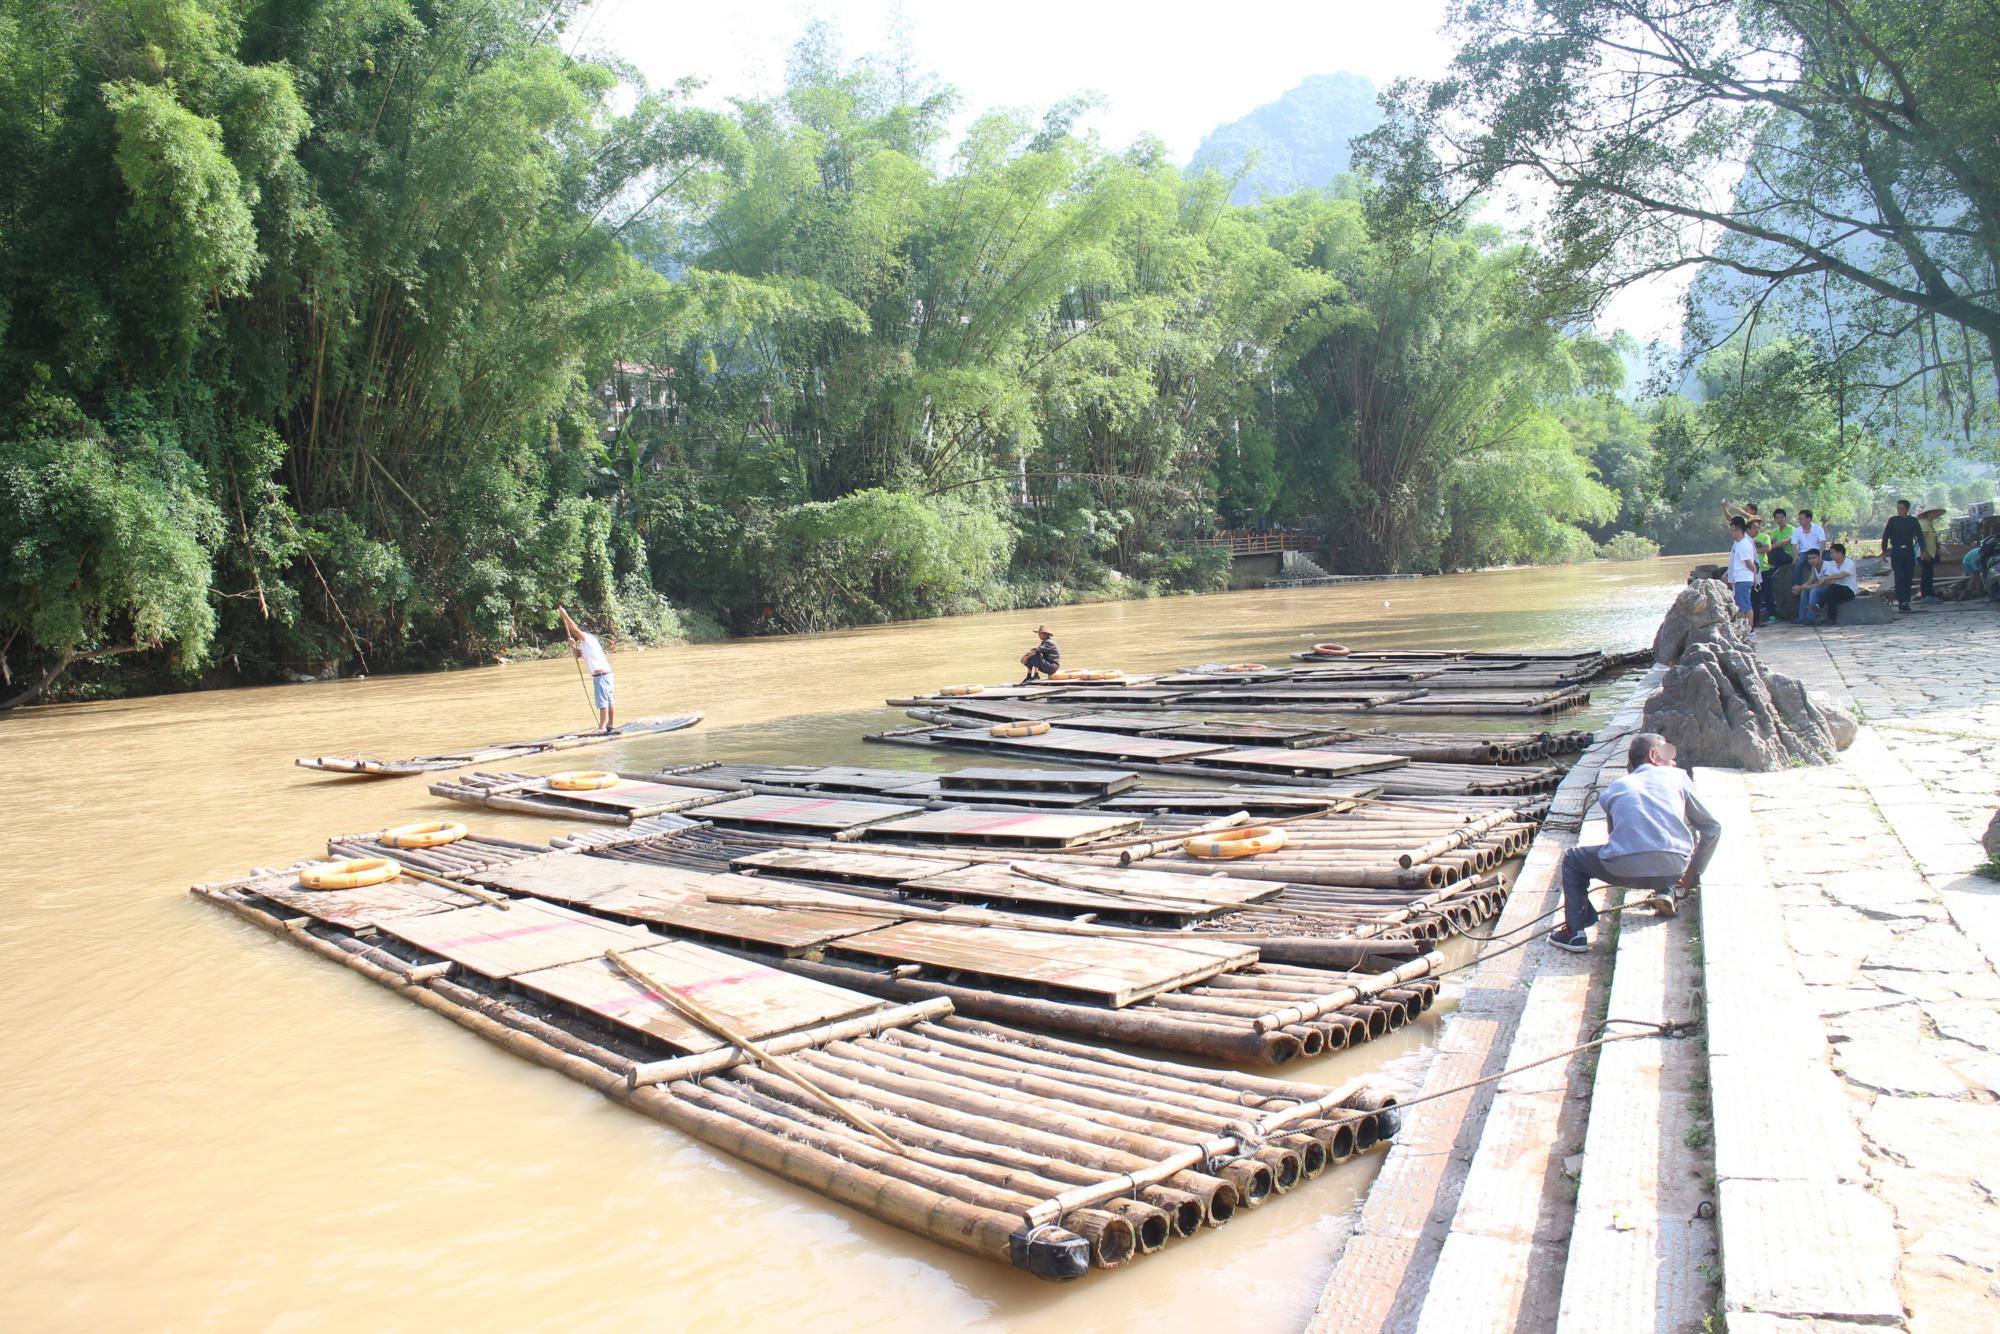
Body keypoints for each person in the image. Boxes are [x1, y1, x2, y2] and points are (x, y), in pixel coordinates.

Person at [1548, 732, 1722, 952]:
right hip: (1674, 868)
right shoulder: (1678, 777)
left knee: (1573, 858)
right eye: (1668, 753)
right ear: (1653, 755)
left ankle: (1575, 933)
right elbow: (1713, 829)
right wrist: (1690, 877)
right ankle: (1665, 891)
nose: (1674, 760)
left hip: (1624, 871)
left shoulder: (1614, 789)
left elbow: (1616, 839)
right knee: (1668, 834)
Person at [559, 606, 615, 731]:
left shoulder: (588, 639)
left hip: (602, 676)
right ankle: (610, 724)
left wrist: (565, 615)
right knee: (609, 700)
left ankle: (602, 727)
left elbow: (573, 628)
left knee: (603, 701)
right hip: (605, 675)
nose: (576, 635)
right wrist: (573, 646)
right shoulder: (585, 645)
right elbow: (577, 656)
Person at [1880, 499, 1922, 612]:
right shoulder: (1893, 520)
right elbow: (1886, 536)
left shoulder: (1913, 521)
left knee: (1908, 576)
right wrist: (1884, 551)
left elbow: (1920, 536)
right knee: (1899, 576)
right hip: (1897, 551)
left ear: (1907, 509)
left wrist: (1923, 550)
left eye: (1902, 508)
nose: (1899, 510)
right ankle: (1901, 600)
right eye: (1898, 508)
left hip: (1908, 550)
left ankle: (1906, 600)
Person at [1805, 542, 1860, 625]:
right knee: (1830, 594)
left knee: (1833, 588)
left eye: (1832, 553)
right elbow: (1829, 579)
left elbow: (1841, 576)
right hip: (1835, 589)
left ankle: (1819, 605)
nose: (1831, 555)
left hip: (1849, 590)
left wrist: (1827, 578)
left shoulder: (1850, 563)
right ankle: (1831, 619)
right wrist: (1828, 579)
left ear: (1840, 553)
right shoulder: (1832, 564)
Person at [1760, 507, 1796, 621]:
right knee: (1772, 549)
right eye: (1777, 518)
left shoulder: (1791, 529)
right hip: (1778, 556)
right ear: (1774, 519)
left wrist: (1770, 546)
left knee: (1776, 549)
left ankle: (1772, 566)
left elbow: (1786, 541)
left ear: (1785, 518)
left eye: (1781, 517)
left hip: (1788, 556)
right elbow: (1771, 541)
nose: (1779, 519)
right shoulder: (1775, 531)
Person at [1727, 515, 1760, 639]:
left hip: (1744, 579)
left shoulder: (1743, 544)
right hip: (1740, 578)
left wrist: (1755, 577)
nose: (1732, 533)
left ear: (1739, 530)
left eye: (1733, 530)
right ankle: (1744, 628)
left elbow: (1749, 564)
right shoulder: (1740, 543)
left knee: (1746, 606)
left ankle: (1750, 630)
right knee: (1741, 605)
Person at [1792, 508, 1826, 591]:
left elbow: (1823, 542)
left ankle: (1828, 581)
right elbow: (1794, 545)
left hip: (1816, 550)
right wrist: (1795, 555)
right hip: (1804, 552)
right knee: (1798, 563)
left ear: (1809, 519)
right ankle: (1796, 587)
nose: (1799, 520)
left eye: (1801, 518)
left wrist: (1821, 554)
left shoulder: (1818, 528)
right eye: (1799, 518)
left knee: (1829, 559)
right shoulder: (1797, 530)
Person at [1917, 506, 1945, 601]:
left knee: (1929, 574)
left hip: (1931, 552)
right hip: (1925, 553)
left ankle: (1928, 594)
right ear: (1928, 513)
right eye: (1934, 512)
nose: (1936, 514)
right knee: (1926, 575)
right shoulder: (1924, 523)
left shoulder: (1929, 523)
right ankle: (1926, 595)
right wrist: (1925, 552)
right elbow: (1922, 539)